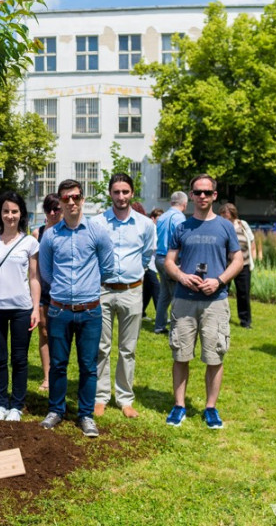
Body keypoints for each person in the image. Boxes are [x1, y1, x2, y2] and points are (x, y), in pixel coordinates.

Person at [164, 175, 243, 430]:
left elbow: (238, 261)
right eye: (198, 192)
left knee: (214, 356)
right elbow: (168, 262)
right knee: (181, 354)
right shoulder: (182, 227)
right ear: (191, 195)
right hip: (184, 300)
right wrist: (181, 276)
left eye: (207, 192)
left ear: (214, 196)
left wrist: (219, 281)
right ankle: (179, 406)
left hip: (215, 302)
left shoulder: (225, 227)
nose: (202, 197)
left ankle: (211, 408)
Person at [38, 180, 114, 437]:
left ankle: (86, 415)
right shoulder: (50, 235)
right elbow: (46, 272)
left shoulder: (97, 231)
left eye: (76, 197)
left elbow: (108, 267)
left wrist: (86, 288)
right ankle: (56, 410)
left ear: (83, 199)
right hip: (59, 310)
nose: (71, 202)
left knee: (88, 365)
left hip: (90, 310)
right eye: (66, 198)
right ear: (59, 202)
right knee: (58, 364)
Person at [93, 176, 155, 420]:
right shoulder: (97, 223)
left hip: (132, 290)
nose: (121, 197)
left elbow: (147, 254)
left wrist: (133, 274)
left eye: (125, 192)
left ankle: (125, 398)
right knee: (101, 347)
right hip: (103, 290)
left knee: (128, 349)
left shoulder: (145, 225)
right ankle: (100, 396)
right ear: (110, 193)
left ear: (132, 193)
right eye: (116, 192)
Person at [0, 191, 41, 422]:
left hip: (21, 308)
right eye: (6, 211)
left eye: (14, 211)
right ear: (0, 214)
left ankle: (16, 405)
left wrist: (35, 308)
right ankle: (0, 404)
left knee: (19, 359)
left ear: (21, 214)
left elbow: (35, 277)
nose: (10, 215)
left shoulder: (30, 243)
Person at [32, 193, 61, 391]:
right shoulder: (37, 233)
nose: (52, 213)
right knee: (43, 332)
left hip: (62, 291)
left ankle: (60, 374)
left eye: (56, 209)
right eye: (48, 209)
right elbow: (33, 268)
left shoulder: (67, 231)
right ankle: (47, 376)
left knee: (60, 335)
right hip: (43, 291)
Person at [154, 192, 188, 334]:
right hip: (172, 260)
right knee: (176, 294)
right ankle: (177, 326)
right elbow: (182, 240)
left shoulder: (162, 217)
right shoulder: (180, 218)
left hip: (159, 258)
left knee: (164, 295)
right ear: (184, 204)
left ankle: (159, 325)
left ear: (171, 202)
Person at [218, 203, 255, 329]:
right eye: (223, 216)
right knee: (223, 292)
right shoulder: (221, 226)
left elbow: (251, 240)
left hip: (243, 265)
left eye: (227, 216)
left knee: (243, 293)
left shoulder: (242, 224)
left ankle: (245, 321)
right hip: (226, 265)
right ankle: (221, 317)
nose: (225, 218)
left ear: (233, 214)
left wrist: (252, 257)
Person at [143, 207, 164, 317]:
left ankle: (141, 312)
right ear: (153, 218)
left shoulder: (158, 229)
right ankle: (161, 316)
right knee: (157, 290)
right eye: (158, 219)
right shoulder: (152, 229)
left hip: (152, 266)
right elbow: (154, 247)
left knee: (148, 290)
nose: (160, 221)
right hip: (149, 265)